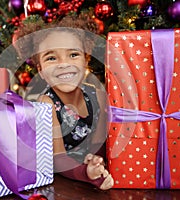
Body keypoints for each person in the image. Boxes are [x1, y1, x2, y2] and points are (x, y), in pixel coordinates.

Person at [13, 14, 113, 190]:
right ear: (41, 71)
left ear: (86, 60)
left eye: (73, 54)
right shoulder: (47, 104)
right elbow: (57, 158)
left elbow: (99, 143)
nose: (63, 64)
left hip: (88, 170)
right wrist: (86, 173)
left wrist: (96, 161)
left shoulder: (99, 96)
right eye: (51, 58)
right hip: (64, 181)